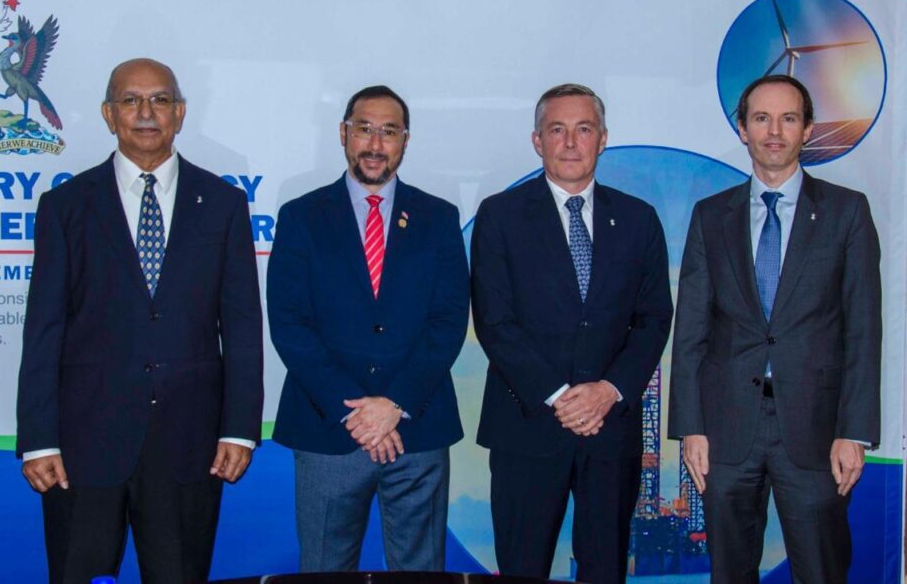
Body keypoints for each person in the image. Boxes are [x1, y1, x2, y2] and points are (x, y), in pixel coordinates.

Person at [15, 58, 264, 583]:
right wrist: (38, 439)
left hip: (189, 447)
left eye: (159, 100)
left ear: (179, 112)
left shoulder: (222, 204)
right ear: (109, 114)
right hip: (82, 449)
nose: (145, 113)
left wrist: (239, 430)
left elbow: (241, 328)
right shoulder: (65, 206)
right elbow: (44, 330)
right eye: (130, 100)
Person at [668, 74, 880, 583]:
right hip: (726, 433)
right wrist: (690, 427)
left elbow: (863, 330)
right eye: (761, 118)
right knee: (730, 574)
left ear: (806, 129)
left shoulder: (847, 213)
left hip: (815, 433)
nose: (774, 132)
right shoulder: (710, 216)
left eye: (788, 118)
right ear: (742, 129)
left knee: (821, 572)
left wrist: (854, 431)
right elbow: (692, 329)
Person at [471, 83, 673, 582]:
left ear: (602, 139)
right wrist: (561, 397)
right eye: (556, 129)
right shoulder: (500, 215)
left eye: (583, 129)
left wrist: (607, 392)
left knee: (606, 569)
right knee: (522, 569)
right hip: (526, 426)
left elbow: (653, 319)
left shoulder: (639, 219)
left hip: (611, 431)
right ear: (537, 141)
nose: (569, 142)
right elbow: (495, 321)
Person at [267, 85, 469, 572]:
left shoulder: (439, 217)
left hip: (415, 428)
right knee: (323, 571)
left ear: (405, 140)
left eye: (389, 132)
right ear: (343, 133)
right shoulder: (301, 215)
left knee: (421, 573)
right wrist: (357, 412)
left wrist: (394, 404)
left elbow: (448, 320)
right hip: (328, 429)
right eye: (364, 129)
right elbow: (289, 322)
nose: (375, 144)